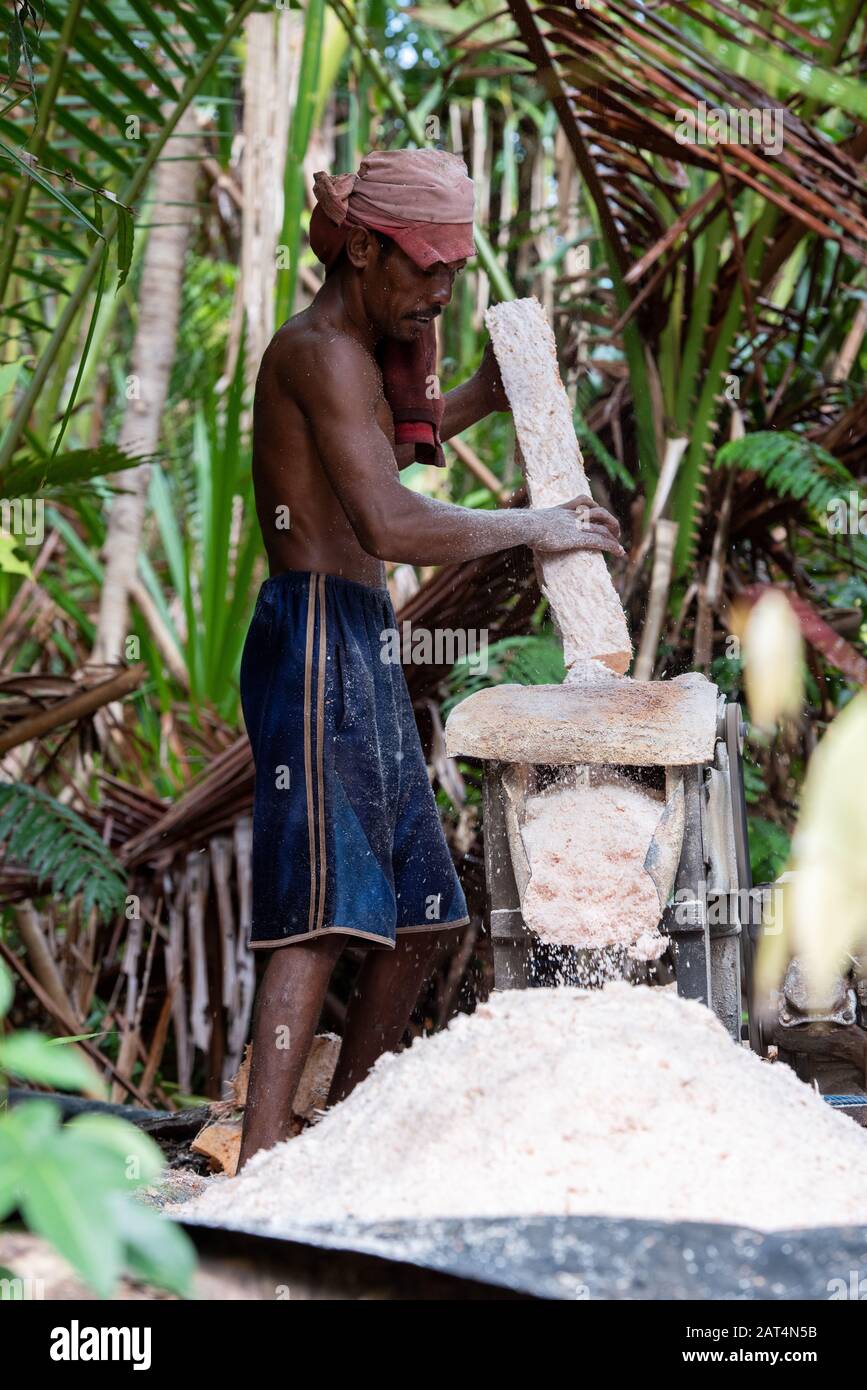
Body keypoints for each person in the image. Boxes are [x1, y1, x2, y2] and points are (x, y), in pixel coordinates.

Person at [238, 148, 623, 1167]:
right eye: (428, 269)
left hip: (356, 637)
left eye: (457, 270)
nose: (444, 290)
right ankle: (265, 1153)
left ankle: (343, 1143)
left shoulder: (360, 359)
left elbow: (383, 448)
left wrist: (486, 397)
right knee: (322, 914)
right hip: (313, 633)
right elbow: (387, 516)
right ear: (363, 248)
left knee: (425, 917)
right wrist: (537, 524)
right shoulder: (319, 351)